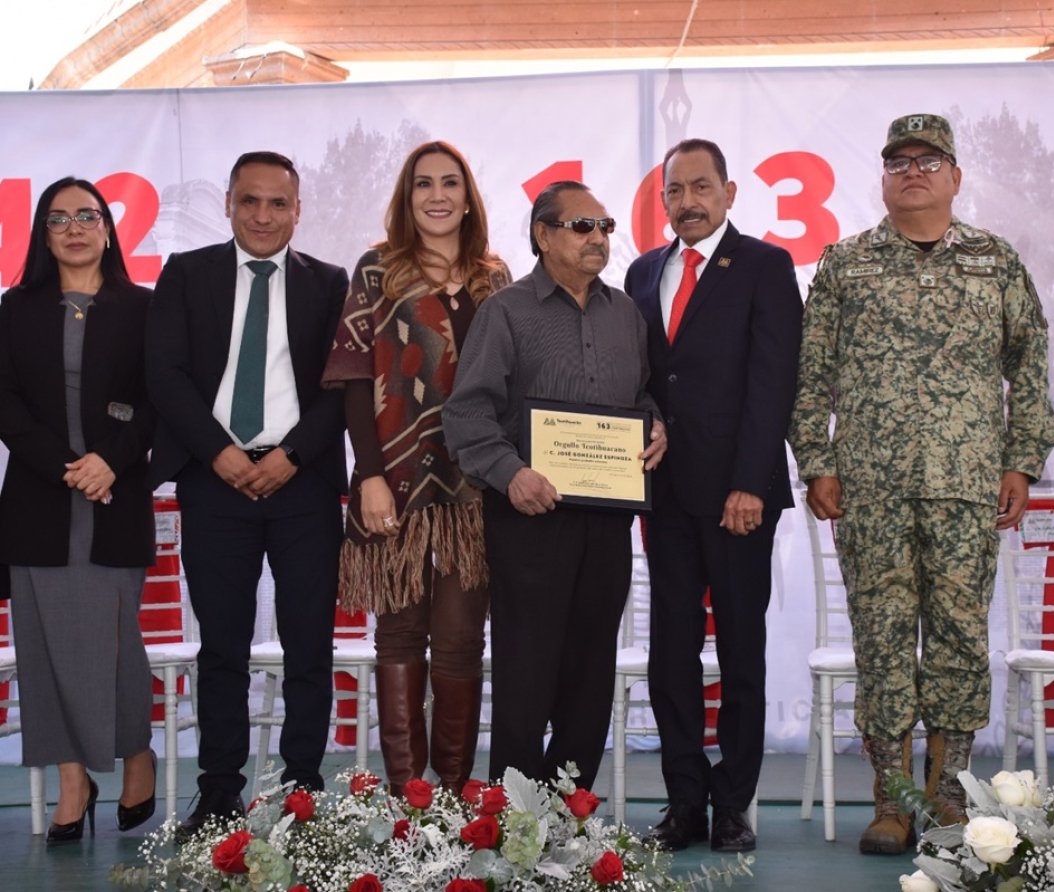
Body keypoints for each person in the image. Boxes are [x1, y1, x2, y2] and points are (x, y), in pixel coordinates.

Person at [789, 114, 1054, 854]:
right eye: (899, 160)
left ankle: (946, 800)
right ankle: (893, 802)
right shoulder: (845, 264)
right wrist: (817, 461)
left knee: (959, 644)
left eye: (929, 159)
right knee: (880, 645)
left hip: (967, 486)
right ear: (882, 178)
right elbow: (811, 376)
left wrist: (1020, 461)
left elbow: (1028, 370)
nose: (913, 171)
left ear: (955, 176)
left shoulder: (994, 263)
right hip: (870, 488)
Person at [145, 151, 348, 836]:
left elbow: (338, 388)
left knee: (309, 649)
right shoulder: (186, 273)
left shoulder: (329, 282)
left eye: (278, 203)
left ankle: (303, 796)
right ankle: (218, 795)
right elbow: (165, 375)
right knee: (222, 650)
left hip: (303, 486)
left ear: (298, 209)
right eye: (250, 201)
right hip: (215, 482)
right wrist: (219, 453)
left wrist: (290, 455)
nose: (264, 215)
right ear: (229, 203)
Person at [443, 181, 665, 792]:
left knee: (591, 674)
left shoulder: (626, 314)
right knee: (527, 673)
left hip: (607, 520)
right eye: (582, 226)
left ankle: (573, 820)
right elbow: (466, 415)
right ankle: (511, 827)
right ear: (543, 235)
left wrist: (657, 428)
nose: (598, 238)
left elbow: (639, 397)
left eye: (605, 226)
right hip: (529, 518)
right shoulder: (507, 311)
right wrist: (511, 474)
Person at [623, 139, 803, 854]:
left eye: (702, 187)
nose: (688, 202)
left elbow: (773, 381)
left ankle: (733, 804)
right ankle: (684, 801)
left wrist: (750, 482)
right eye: (675, 191)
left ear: (729, 192)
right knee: (671, 654)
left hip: (737, 499)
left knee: (740, 654)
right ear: (662, 199)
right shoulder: (642, 271)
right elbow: (636, 378)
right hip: (660, 495)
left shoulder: (765, 265)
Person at [321, 141, 510, 794]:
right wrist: (367, 474)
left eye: (450, 183)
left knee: (460, 642)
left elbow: (515, 382)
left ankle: (453, 797)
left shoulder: (495, 277)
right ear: (407, 197)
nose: (437, 195)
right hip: (393, 482)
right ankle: (407, 800)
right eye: (423, 184)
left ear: (467, 195)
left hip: (476, 485)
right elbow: (351, 380)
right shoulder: (378, 271)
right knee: (399, 636)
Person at [0, 177, 158, 843]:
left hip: (113, 498)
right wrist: (64, 466)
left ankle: (137, 755)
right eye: (58, 217)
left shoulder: (143, 307)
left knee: (115, 644)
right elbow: (5, 403)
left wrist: (109, 460)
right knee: (44, 648)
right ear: (42, 232)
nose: (73, 227)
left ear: (107, 227)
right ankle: (73, 780)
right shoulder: (16, 307)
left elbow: (157, 399)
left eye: (86, 216)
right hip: (41, 500)